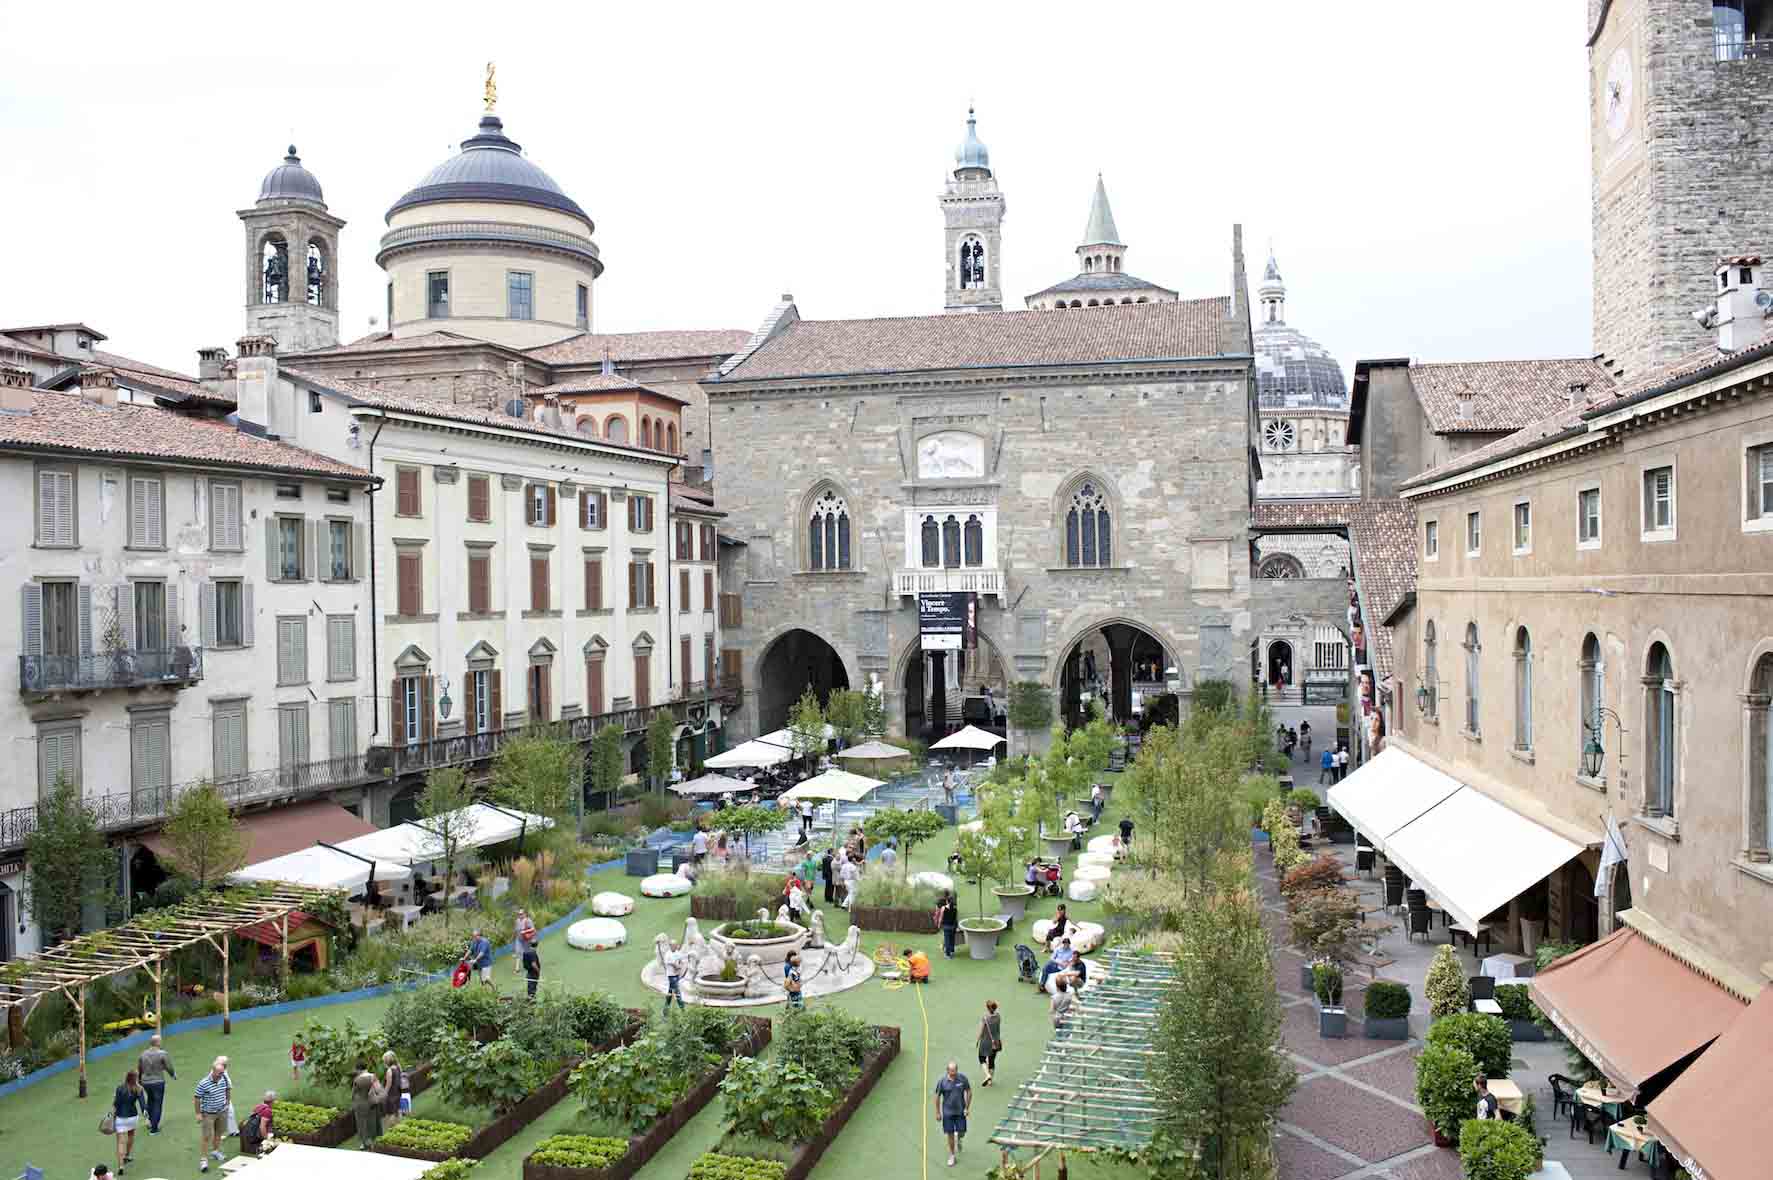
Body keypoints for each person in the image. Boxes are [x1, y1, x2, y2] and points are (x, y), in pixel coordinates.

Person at [932, 1060, 972, 1167]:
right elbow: (937, 1097)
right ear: (947, 1071)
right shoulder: (942, 1082)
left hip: (960, 1112)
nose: (953, 1073)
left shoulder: (962, 1079)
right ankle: (952, 1155)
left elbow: (969, 1091)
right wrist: (937, 1112)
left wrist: (967, 1108)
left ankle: (959, 1138)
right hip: (948, 1113)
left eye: (955, 1071)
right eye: (951, 1071)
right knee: (950, 1134)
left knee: (962, 1131)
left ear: (957, 1070)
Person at [194, 1058, 231, 1172]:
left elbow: (228, 1089)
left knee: (219, 1133)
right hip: (208, 1114)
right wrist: (198, 1113)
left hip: (222, 1111)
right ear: (213, 1071)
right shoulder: (203, 1083)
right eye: (219, 1073)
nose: (221, 1075)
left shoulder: (224, 1078)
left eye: (222, 1073)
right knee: (206, 1136)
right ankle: (203, 1160)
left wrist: (228, 1101)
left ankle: (215, 1151)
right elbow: (197, 1098)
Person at [136, 1033, 174, 1135]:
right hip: (158, 1082)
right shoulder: (162, 1053)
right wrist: (173, 1074)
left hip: (146, 1082)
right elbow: (168, 1066)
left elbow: (139, 1068)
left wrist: (139, 1080)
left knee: (151, 1100)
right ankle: (154, 1129)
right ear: (157, 1043)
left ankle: (149, 1121)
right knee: (157, 1103)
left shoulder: (143, 1054)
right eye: (160, 1041)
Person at [112, 1069, 145, 1174]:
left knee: (120, 1142)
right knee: (131, 1136)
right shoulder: (139, 1089)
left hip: (120, 1117)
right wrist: (146, 1114)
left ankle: (121, 1166)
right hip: (132, 1117)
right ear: (136, 1078)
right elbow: (143, 1105)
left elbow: (116, 1104)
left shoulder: (120, 1088)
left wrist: (113, 1116)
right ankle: (127, 1156)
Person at [350, 1060, 383, 1148]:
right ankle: (372, 1142)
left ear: (359, 1069)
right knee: (372, 1122)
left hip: (360, 1104)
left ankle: (364, 1143)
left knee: (361, 1123)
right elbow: (379, 1089)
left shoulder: (357, 1079)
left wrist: (353, 1102)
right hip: (372, 1103)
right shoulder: (373, 1076)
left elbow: (353, 1093)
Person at [976, 1000, 1002, 1087]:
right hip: (996, 1041)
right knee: (991, 1061)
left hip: (986, 1042)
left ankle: (987, 1075)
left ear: (987, 1008)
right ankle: (990, 1081)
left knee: (982, 1058)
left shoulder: (985, 1018)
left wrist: (977, 1040)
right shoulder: (998, 1016)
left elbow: (981, 1030)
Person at [240, 1090, 275, 1155]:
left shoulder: (259, 1105)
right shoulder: (268, 1111)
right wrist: (266, 1139)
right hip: (255, 1134)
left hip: (248, 1131)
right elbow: (262, 1126)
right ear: (273, 1101)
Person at [381, 1052, 404, 1128]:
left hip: (391, 1095)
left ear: (387, 1061)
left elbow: (388, 1085)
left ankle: (392, 1129)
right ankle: (400, 1127)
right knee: (397, 1110)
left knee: (391, 1113)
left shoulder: (390, 1070)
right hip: (397, 1093)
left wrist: (384, 1094)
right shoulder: (398, 1067)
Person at [664, 941, 688, 1011]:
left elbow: (682, 959)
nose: (675, 947)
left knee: (670, 994)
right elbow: (672, 964)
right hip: (671, 976)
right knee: (677, 993)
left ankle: (665, 1010)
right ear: (670, 946)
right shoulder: (668, 954)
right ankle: (683, 1009)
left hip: (676, 975)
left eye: (675, 945)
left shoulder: (678, 953)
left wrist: (681, 965)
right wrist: (677, 966)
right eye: (673, 945)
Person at [935, 891, 959, 959]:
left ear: (947, 901)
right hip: (953, 926)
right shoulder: (955, 908)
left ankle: (947, 955)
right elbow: (956, 918)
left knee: (947, 940)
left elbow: (941, 917)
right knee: (952, 939)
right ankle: (952, 951)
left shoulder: (943, 908)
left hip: (946, 926)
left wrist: (939, 924)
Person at [513, 909, 536, 976]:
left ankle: (530, 965)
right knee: (518, 952)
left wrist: (525, 931)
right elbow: (516, 930)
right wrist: (514, 936)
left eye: (521, 914)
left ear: (525, 914)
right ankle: (517, 969)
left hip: (526, 940)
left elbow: (533, 929)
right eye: (519, 914)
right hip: (519, 939)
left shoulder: (528, 920)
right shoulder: (517, 921)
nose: (520, 915)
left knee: (526, 953)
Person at [522, 932, 543, 999]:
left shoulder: (526, 951)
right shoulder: (532, 953)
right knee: (533, 986)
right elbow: (533, 964)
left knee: (530, 985)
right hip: (533, 972)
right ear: (536, 945)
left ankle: (530, 997)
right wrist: (538, 971)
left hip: (529, 971)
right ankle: (531, 999)